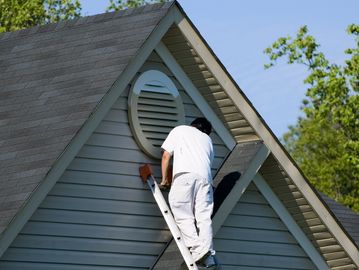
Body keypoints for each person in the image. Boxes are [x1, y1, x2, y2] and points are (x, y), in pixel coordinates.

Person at [160, 117, 218, 270]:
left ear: (193, 125)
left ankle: (198, 250)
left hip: (184, 176)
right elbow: (206, 162)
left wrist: (165, 180)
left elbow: (166, 156)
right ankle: (208, 256)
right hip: (205, 180)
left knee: (183, 213)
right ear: (206, 131)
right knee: (203, 218)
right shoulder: (207, 140)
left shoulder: (180, 129)